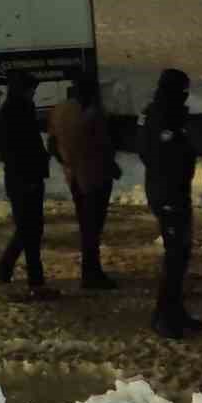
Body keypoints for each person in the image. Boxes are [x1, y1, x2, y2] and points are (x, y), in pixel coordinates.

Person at [138, 68, 202, 339]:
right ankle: (164, 315)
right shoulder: (164, 115)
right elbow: (163, 154)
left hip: (168, 190)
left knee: (180, 254)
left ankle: (174, 311)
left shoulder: (158, 111)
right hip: (169, 193)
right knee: (176, 256)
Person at [47, 75, 121, 290]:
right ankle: (92, 273)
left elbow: (52, 145)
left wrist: (68, 163)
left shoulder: (59, 110)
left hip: (74, 177)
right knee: (93, 227)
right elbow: (103, 146)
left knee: (85, 226)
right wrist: (111, 168)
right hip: (95, 178)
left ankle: (91, 270)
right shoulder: (94, 115)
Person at [0, 71, 57, 299]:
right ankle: (36, 283)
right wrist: (30, 176)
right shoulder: (14, 113)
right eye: (32, 89)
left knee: (27, 229)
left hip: (25, 178)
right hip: (24, 180)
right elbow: (15, 151)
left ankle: (4, 269)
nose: (34, 94)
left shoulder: (18, 110)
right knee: (31, 231)